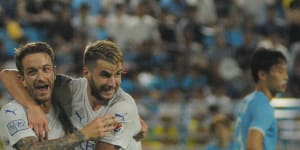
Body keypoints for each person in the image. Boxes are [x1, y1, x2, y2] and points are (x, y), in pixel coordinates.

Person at [1, 40, 146, 150]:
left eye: (46, 69)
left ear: (54, 72)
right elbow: (6, 74)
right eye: (32, 72)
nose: (41, 77)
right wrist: (84, 134)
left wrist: (132, 118)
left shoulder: (65, 96)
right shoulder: (12, 112)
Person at [234, 48, 288, 150]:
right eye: (280, 72)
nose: (286, 77)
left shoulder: (247, 100)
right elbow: (253, 147)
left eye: (286, 72)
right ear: (262, 75)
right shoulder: (263, 106)